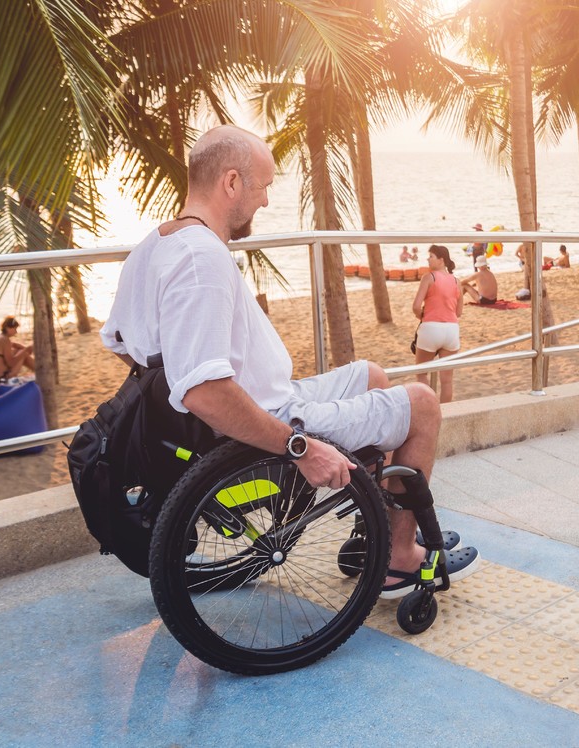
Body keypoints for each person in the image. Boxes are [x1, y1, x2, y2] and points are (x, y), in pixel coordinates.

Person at [100, 125, 479, 599]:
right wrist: (298, 446)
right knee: (422, 404)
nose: (263, 201)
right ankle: (398, 563)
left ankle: (377, 532)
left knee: (371, 376)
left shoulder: (154, 246)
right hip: (272, 420)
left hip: (269, 401)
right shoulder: (202, 259)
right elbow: (203, 391)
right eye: (263, 187)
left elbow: (120, 342)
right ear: (232, 182)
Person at [412, 245, 462, 404]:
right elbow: (458, 312)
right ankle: (445, 415)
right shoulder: (456, 281)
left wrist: (422, 315)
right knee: (447, 381)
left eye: (431, 256)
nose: (428, 259)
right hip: (451, 330)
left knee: (421, 374)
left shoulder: (429, 277)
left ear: (442, 260)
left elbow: (415, 306)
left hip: (431, 328)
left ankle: (428, 410)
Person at [0, 316, 35, 387]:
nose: (16, 331)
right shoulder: (5, 340)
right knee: (23, 353)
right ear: (8, 328)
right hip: (3, 379)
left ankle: (38, 369)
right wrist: (25, 350)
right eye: (15, 329)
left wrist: (21, 348)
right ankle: (40, 370)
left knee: (17, 351)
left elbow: (10, 350)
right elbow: (10, 363)